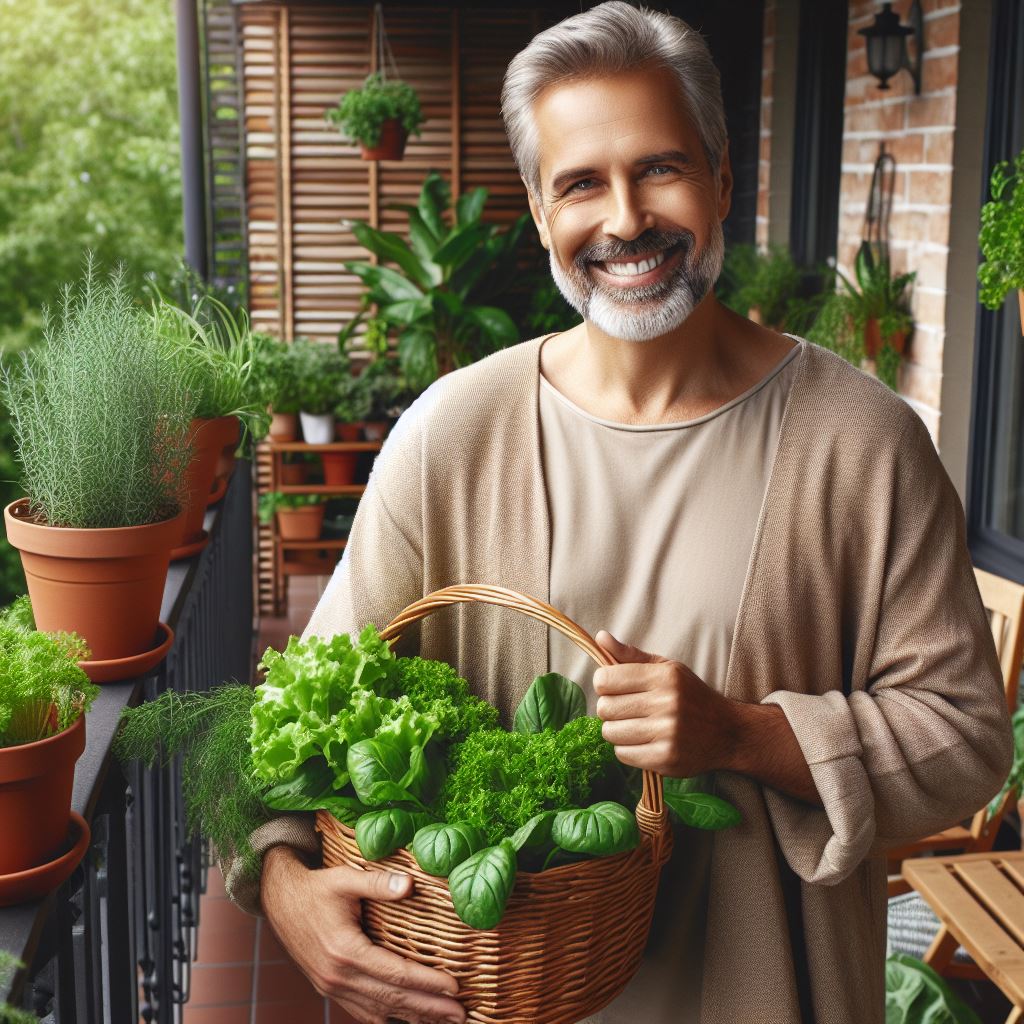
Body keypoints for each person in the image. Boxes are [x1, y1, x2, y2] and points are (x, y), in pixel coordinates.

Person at [229, 4, 1014, 1022]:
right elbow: (304, 717)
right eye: (581, 184)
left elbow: (964, 739)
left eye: (659, 167)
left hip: (764, 994)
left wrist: (743, 734)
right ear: (541, 210)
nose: (625, 218)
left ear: (721, 179)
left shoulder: (861, 441)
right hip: (496, 997)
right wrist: (285, 888)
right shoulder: (450, 436)